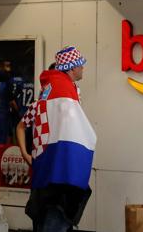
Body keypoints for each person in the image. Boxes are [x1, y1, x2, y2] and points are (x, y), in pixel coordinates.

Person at [22, 46, 96, 232]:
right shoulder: (64, 94)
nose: (83, 69)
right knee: (55, 218)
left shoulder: (45, 98)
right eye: (81, 65)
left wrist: (27, 153)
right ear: (71, 68)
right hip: (60, 174)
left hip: (44, 170)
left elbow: (22, 125)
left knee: (45, 217)